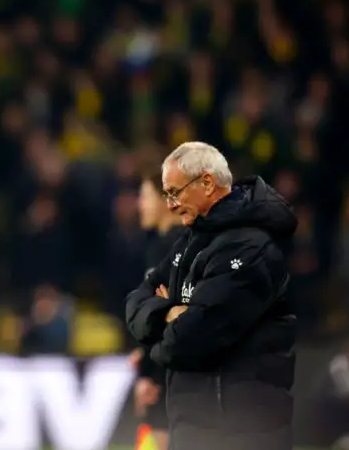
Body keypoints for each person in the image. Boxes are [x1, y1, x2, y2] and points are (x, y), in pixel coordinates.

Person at [125, 142, 297, 450]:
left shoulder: (251, 247)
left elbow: (194, 337)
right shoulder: (189, 243)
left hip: (240, 433)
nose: (170, 205)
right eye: (166, 195)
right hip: (197, 430)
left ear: (206, 183)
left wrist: (164, 331)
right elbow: (135, 303)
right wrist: (170, 313)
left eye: (175, 192)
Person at [130, 170, 185, 450]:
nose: (140, 204)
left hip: (174, 371)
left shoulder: (174, 248)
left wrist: (151, 375)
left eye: (145, 196)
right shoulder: (163, 246)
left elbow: (170, 316)